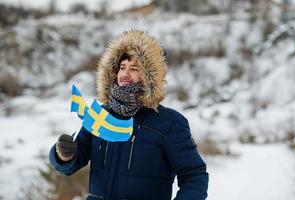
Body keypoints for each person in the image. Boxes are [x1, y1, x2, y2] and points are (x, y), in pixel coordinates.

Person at [49, 30, 208, 200]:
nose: (125, 74)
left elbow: (194, 175)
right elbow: (71, 163)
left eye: (134, 69)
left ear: (149, 77)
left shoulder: (169, 123)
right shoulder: (100, 115)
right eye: (122, 67)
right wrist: (64, 154)